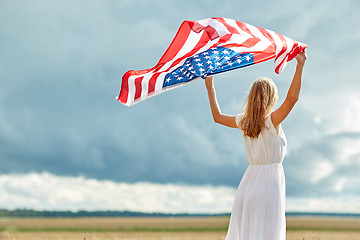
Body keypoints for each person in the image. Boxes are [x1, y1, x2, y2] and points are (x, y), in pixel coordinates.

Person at [204, 51, 307, 240]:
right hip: (269, 187)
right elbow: (293, 98)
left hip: (247, 186)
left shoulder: (244, 121)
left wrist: (210, 86)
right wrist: (300, 65)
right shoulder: (271, 120)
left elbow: (217, 117)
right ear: (271, 98)